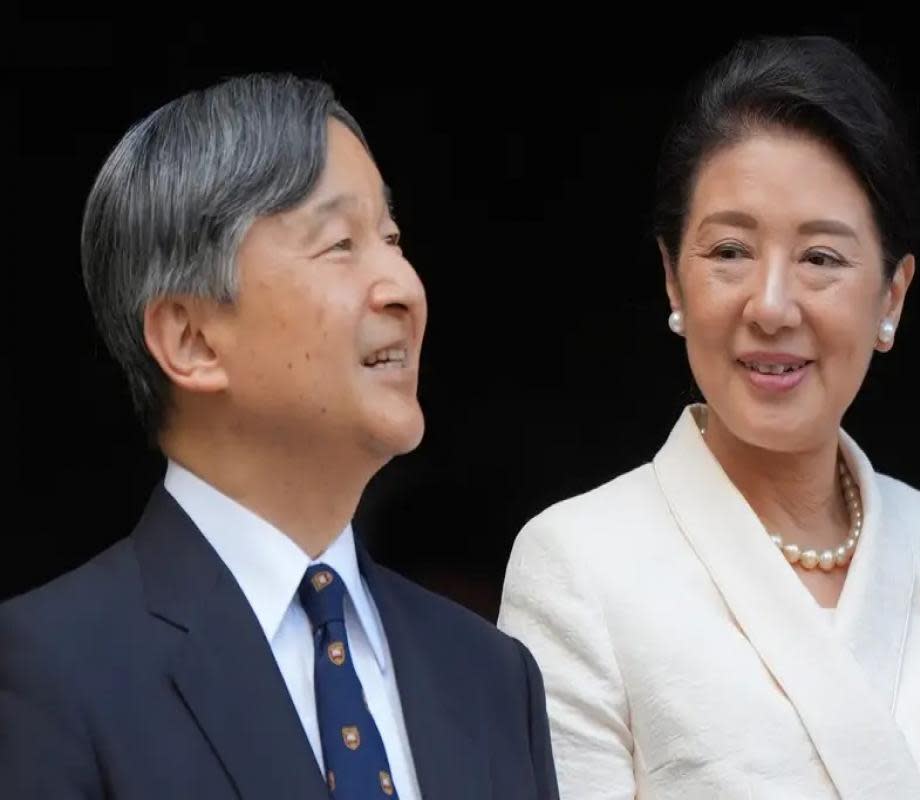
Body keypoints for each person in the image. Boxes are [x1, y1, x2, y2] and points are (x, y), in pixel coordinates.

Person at [498, 36, 920, 798]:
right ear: (673, 278)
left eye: (822, 259)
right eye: (730, 251)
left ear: (892, 295)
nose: (770, 306)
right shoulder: (577, 566)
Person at [0, 73, 558, 799]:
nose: (403, 285)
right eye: (341, 245)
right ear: (193, 339)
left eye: (392, 238)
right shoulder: (49, 670)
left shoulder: (491, 675)